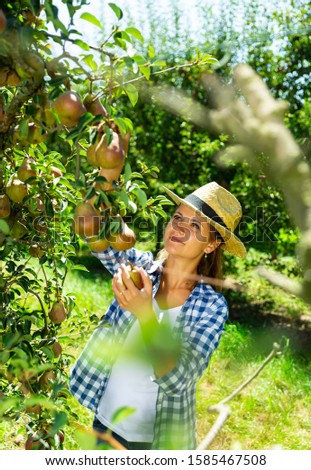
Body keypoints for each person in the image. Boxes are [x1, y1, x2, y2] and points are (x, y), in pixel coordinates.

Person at [69, 181, 246, 450]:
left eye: (196, 226)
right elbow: (94, 233)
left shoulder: (212, 307)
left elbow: (179, 378)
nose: (180, 228)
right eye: (177, 218)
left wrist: (145, 314)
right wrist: (108, 170)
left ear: (211, 245)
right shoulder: (140, 270)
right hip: (104, 425)